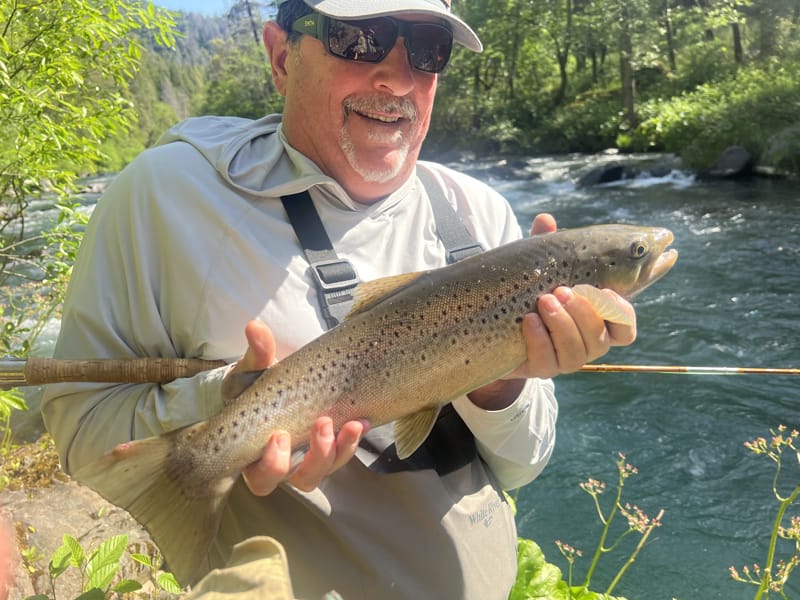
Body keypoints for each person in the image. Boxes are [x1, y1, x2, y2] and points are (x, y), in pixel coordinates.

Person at [41, 0, 637, 598]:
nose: (399, 78)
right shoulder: (168, 196)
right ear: (280, 56)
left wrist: (497, 380)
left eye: (428, 48)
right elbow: (84, 436)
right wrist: (231, 410)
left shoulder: (478, 212)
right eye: (361, 39)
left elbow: (521, 466)